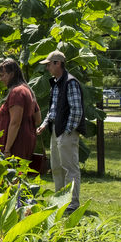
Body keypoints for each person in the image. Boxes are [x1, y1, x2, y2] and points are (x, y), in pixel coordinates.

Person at [35, 50, 85, 214]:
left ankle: (72, 203)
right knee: (56, 167)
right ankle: (60, 200)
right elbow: (53, 110)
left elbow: (76, 111)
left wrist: (67, 130)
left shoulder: (70, 82)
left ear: (58, 63)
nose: (47, 67)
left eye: (49, 64)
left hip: (65, 131)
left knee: (70, 168)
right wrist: (44, 124)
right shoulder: (56, 83)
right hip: (57, 130)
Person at [0, 58, 41, 161]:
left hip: (15, 144)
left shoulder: (17, 92)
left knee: (12, 174)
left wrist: (7, 149)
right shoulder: (27, 90)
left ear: (12, 74)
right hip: (27, 141)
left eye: (2, 75)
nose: (0, 79)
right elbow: (38, 119)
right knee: (20, 175)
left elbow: (15, 123)